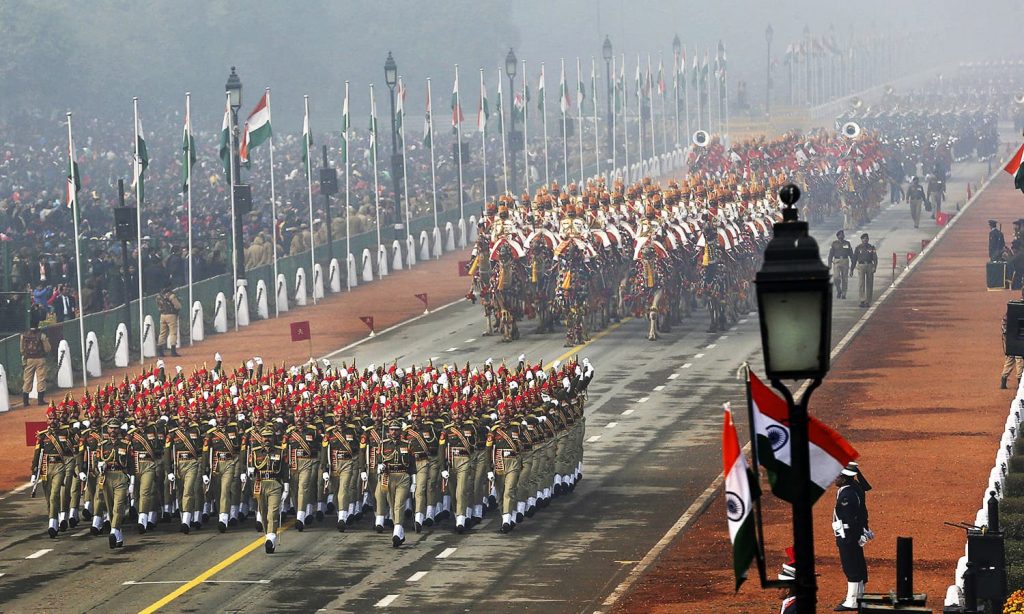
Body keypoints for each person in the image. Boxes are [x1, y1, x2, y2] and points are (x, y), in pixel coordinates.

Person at [30, 405, 76, 537]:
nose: (53, 421)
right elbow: (37, 454)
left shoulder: (65, 432)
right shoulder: (42, 436)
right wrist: (34, 472)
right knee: (48, 497)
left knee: (55, 494)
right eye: (51, 419)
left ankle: (52, 522)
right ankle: (53, 517)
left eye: (55, 419)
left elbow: (74, 444)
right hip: (45, 467)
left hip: (59, 466)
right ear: (47, 419)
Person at [247, 423, 290, 554]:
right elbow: (252, 470)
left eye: (269, 437)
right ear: (260, 438)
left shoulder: (280, 451)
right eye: (264, 437)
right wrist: (249, 471)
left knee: (273, 512)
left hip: (274, 484)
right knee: (264, 513)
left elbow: (284, 470)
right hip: (260, 484)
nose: (267, 439)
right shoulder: (255, 452)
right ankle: (268, 536)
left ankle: (271, 537)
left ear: (273, 438)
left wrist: (286, 487)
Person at [832, 466, 870, 611]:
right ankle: (859, 596)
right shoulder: (855, 487)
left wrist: (856, 535)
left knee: (851, 567)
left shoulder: (846, 495)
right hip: (854, 534)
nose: (835, 478)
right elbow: (862, 513)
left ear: (845, 477)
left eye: (837, 476)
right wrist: (864, 529)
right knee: (858, 564)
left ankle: (852, 601)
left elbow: (850, 519)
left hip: (847, 535)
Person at [20, 313, 51, 407]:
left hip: (28, 359)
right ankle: (40, 400)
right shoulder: (41, 335)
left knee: (27, 379)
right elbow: (47, 348)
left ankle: (25, 401)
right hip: (40, 358)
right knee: (41, 378)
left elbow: (21, 349)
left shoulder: (23, 335)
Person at [852, 233, 877, 308]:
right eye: (863, 238)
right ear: (861, 240)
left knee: (870, 283)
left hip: (869, 265)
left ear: (868, 239)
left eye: (866, 238)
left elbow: (875, 258)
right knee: (861, 283)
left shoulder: (872, 247)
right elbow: (854, 259)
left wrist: (874, 267)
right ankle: (862, 300)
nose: (865, 240)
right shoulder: (858, 248)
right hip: (861, 265)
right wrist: (851, 269)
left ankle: (868, 301)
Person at [827, 230, 854, 300]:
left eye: (843, 234)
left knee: (845, 278)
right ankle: (839, 290)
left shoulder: (847, 243)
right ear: (838, 236)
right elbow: (830, 254)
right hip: (837, 261)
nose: (842, 236)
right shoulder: (834, 243)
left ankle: (844, 293)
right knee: (836, 278)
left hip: (845, 261)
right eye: (840, 235)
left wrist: (853, 262)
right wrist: (829, 264)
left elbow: (851, 253)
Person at [1002, 303, 1024, 389]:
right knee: (1019, 360)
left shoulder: (1014, 306)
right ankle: (1019, 383)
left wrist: (1006, 335)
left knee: (1010, 359)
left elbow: (1004, 322)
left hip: (1011, 338)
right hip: (1020, 339)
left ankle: (1003, 380)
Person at [156, 286, 181, 358]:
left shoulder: (159, 296)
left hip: (162, 315)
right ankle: (173, 351)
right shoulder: (171, 296)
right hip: (171, 315)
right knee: (173, 332)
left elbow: (159, 307)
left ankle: (160, 350)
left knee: (162, 333)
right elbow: (178, 306)